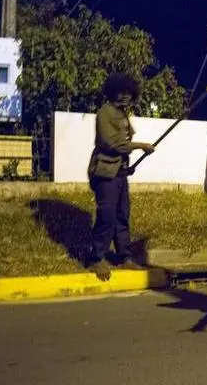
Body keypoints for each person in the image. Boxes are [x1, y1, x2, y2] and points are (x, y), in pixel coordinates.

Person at [86, 73, 155, 280]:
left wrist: (126, 167)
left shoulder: (123, 114)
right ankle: (96, 258)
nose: (125, 97)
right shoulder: (105, 113)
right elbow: (112, 143)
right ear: (113, 91)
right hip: (104, 173)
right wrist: (141, 146)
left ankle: (123, 257)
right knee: (106, 217)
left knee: (122, 216)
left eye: (128, 93)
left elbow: (122, 146)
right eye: (121, 92)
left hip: (118, 173)